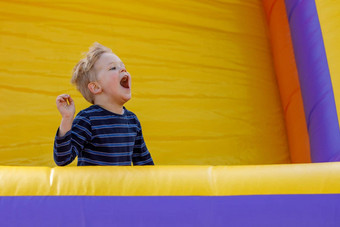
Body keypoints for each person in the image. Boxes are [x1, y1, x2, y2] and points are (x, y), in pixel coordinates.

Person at [53, 42, 154, 166]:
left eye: (123, 66)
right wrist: (67, 119)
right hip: (94, 186)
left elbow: (144, 164)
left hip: (120, 186)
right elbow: (62, 159)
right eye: (113, 68)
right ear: (96, 87)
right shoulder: (88, 119)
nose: (123, 69)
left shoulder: (132, 121)